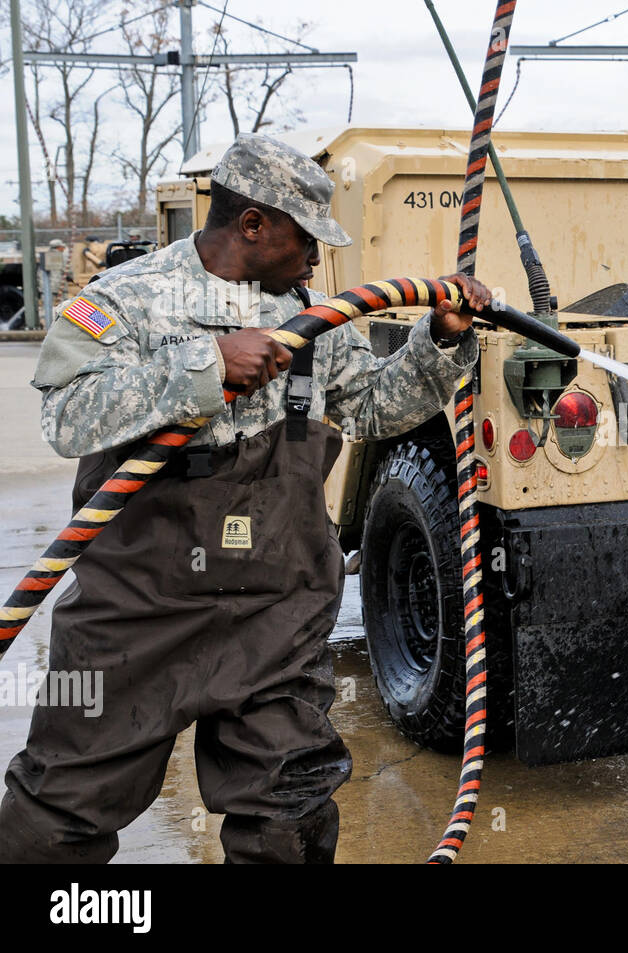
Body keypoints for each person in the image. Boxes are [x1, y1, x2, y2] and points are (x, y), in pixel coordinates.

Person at [0, 132, 491, 863]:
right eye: (306, 238)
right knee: (60, 807)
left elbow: (374, 408)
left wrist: (438, 342)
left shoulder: (316, 318)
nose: (318, 260)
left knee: (286, 813)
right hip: (134, 613)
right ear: (253, 224)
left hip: (278, 612)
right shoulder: (125, 302)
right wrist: (204, 367)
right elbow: (66, 415)